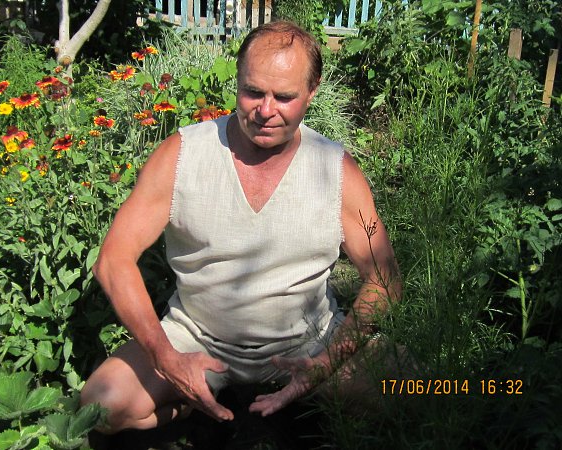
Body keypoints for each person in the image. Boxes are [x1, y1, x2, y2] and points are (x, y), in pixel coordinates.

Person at [80, 20, 401, 433]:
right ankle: (190, 403)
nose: (265, 110)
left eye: (284, 97)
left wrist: (328, 361)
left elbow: (385, 279)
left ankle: (309, 392)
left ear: (312, 90)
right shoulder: (183, 155)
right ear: (237, 80)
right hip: (196, 337)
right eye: (253, 92)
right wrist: (166, 356)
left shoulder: (335, 169)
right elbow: (113, 260)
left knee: (420, 389)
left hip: (310, 342)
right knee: (102, 405)